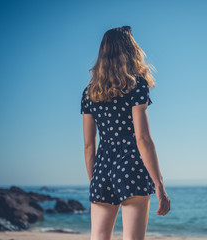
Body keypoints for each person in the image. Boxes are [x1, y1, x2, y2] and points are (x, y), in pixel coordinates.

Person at [80, 25, 170, 240]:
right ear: (130, 51)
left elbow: (89, 145)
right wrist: (159, 186)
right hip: (131, 164)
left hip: (102, 166)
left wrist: (96, 181)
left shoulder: (90, 92)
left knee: (99, 237)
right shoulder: (137, 85)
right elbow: (142, 138)